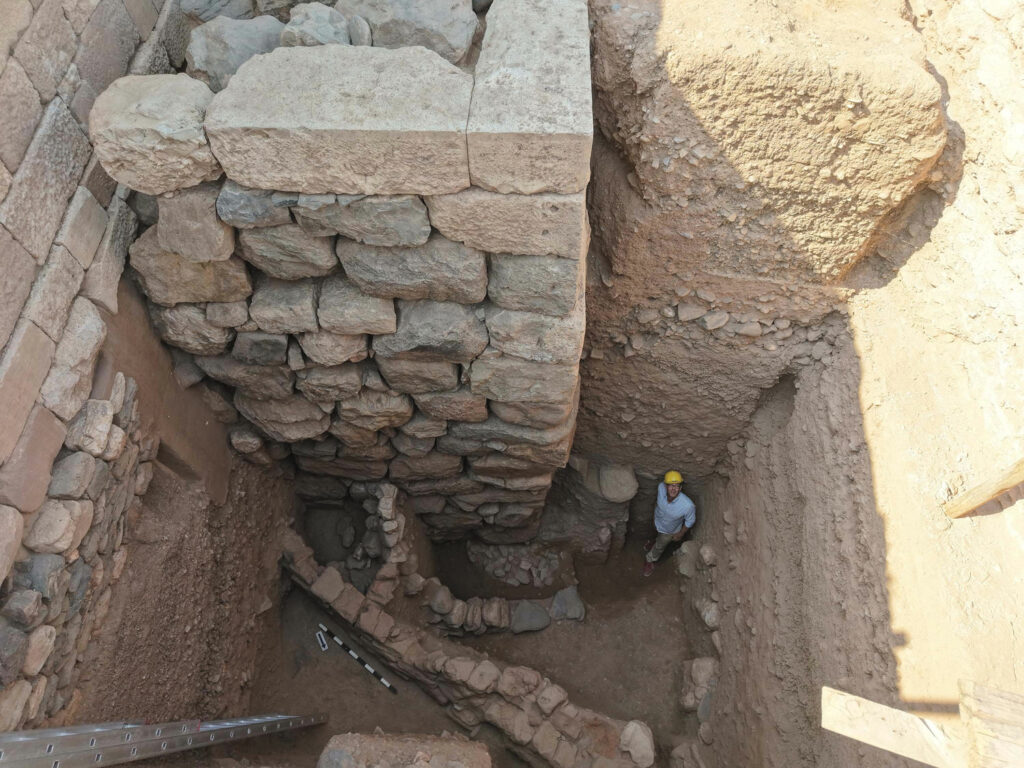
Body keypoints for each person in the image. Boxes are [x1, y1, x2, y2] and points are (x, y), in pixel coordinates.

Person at [643, 470, 696, 576]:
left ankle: (649, 560)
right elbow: (657, 504)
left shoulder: (688, 505)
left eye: (677, 486)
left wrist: (680, 534)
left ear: (680, 488)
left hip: (669, 531)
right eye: (671, 485)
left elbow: (690, 521)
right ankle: (654, 543)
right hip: (657, 522)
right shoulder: (660, 488)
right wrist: (654, 518)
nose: (673, 489)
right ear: (665, 486)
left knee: (659, 547)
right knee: (658, 537)